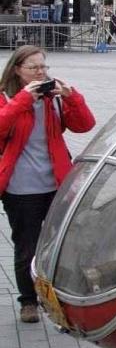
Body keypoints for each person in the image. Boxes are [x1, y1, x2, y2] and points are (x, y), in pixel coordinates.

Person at [0, 46, 96, 323]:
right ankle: (28, 301)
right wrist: (22, 100)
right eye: (34, 68)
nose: (41, 72)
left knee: (63, 243)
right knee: (27, 246)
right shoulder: (7, 97)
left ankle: (62, 297)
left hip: (56, 183)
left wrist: (71, 97)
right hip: (21, 188)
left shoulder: (51, 99)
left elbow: (85, 125)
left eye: (44, 67)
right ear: (18, 69)